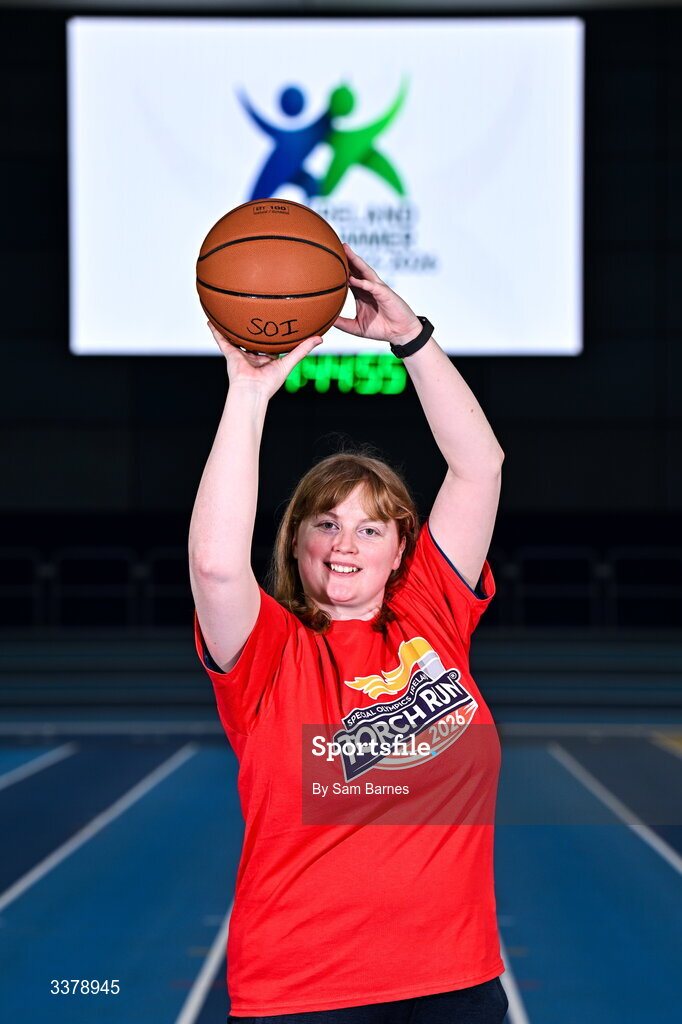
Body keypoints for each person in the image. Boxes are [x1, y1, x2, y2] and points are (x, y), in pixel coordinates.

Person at [189, 244, 508, 1024]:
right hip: (305, 995)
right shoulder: (268, 655)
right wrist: (250, 392)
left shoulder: (432, 616)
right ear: (294, 541)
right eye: (325, 524)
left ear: (405, 547)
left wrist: (414, 340)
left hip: (458, 987)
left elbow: (480, 467)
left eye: (371, 529)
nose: (344, 544)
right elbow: (216, 567)